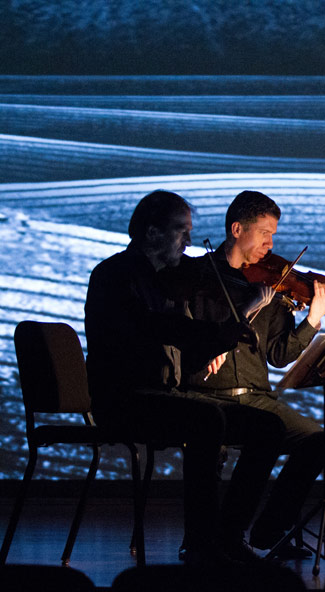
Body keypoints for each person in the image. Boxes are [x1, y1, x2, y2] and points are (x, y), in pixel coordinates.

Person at [84, 190, 286, 565]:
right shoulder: (115, 276)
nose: (190, 242)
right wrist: (221, 332)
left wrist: (223, 333)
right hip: (125, 400)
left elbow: (183, 348)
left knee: (268, 427)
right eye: (181, 232)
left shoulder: (168, 280)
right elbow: (153, 329)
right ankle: (200, 543)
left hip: (160, 397)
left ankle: (227, 535)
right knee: (206, 419)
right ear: (152, 233)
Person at [176, 190, 325, 555]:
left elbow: (280, 355)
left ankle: (268, 531)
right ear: (236, 229)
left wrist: (311, 320)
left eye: (274, 234)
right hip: (205, 394)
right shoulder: (197, 275)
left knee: (317, 441)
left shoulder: (271, 285)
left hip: (257, 396)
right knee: (250, 435)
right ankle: (222, 538)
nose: (271, 243)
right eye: (264, 233)